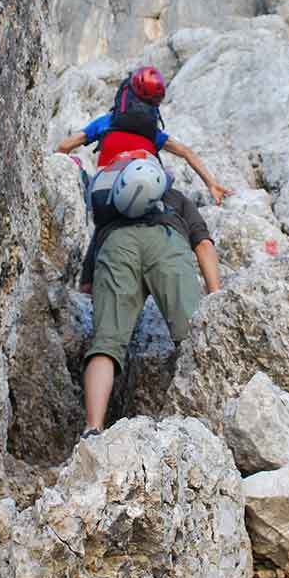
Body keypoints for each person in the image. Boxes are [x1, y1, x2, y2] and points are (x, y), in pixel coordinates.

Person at [76, 161, 221, 439]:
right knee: (192, 337)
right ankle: (206, 424)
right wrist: (216, 296)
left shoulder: (111, 206)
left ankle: (92, 427)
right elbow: (203, 244)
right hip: (167, 243)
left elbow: (88, 280)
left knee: (106, 344)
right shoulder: (176, 198)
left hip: (116, 245)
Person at [54, 65, 233, 205]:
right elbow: (186, 152)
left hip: (104, 197)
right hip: (147, 198)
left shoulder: (105, 123)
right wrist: (211, 184)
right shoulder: (152, 134)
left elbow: (64, 147)